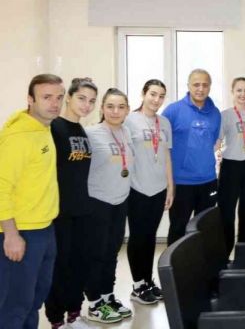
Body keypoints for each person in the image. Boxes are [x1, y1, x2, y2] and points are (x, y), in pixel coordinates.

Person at [0, 74, 64, 329]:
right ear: (30, 99)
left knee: (34, 299)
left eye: (59, 97)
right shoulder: (19, 137)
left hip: (44, 227)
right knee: (15, 305)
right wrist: (11, 234)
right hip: (21, 231)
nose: (54, 103)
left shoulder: (43, 128)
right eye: (46, 97)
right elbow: (1, 186)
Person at [44, 77, 97, 329]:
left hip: (83, 210)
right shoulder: (54, 127)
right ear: (69, 97)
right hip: (60, 212)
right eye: (82, 98)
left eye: (92, 101)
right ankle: (56, 319)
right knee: (59, 266)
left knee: (80, 263)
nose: (87, 105)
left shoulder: (82, 130)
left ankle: (74, 314)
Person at [84, 88, 134, 323]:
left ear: (127, 110)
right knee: (97, 253)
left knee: (112, 252)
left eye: (121, 107)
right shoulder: (90, 133)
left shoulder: (126, 132)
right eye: (110, 106)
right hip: (98, 202)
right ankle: (94, 303)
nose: (116, 111)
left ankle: (107, 296)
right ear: (102, 108)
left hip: (120, 201)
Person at [124, 80, 174, 305]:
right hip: (137, 188)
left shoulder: (164, 123)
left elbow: (166, 156)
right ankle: (137, 286)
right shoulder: (129, 120)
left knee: (150, 237)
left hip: (159, 188)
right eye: (153, 94)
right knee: (138, 237)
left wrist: (170, 187)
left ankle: (147, 280)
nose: (157, 100)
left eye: (161, 96)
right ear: (143, 94)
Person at [163, 69, 221, 245]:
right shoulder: (173, 111)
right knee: (178, 229)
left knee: (204, 230)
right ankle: (173, 263)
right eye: (196, 84)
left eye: (205, 85)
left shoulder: (215, 113)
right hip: (181, 183)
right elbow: (162, 146)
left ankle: (200, 263)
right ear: (188, 86)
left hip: (208, 181)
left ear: (210, 87)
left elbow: (213, 142)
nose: (200, 89)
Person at [218, 77, 245, 256]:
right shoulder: (225, 115)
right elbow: (217, 141)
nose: (243, 94)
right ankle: (225, 253)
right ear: (232, 92)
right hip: (230, 166)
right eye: (239, 90)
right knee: (227, 212)